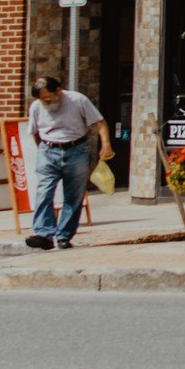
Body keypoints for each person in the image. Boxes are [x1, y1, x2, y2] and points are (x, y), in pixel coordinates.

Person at [25, 76, 112, 250]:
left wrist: (106, 144)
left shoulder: (78, 100)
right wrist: (43, 149)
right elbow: (35, 133)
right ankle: (44, 234)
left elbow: (100, 123)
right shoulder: (36, 107)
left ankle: (64, 235)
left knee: (73, 195)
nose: (45, 102)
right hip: (48, 149)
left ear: (59, 91)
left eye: (48, 98)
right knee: (44, 191)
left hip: (76, 149)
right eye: (41, 99)